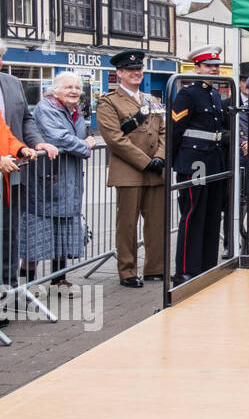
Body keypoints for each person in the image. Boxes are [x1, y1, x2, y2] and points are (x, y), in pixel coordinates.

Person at [98, 49, 167, 287]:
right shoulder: (109, 102)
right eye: (130, 70)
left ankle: (155, 268)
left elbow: (163, 132)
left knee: (157, 222)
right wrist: (146, 162)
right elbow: (115, 139)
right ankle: (127, 271)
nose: (136, 73)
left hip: (156, 171)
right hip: (130, 171)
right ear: (119, 73)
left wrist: (159, 156)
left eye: (138, 69)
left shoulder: (152, 101)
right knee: (127, 225)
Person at [20, 72, 93, 285]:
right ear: (56, 90)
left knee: (63, 234)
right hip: (46, 180)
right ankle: (27, 284)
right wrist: (85, 146)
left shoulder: (75, 111)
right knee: (35, 238)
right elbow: (59, 138)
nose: (74, 91)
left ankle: (59, 280)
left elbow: (78, 136)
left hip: (69, 180)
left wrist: (81, 142)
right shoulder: (46, 108)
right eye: (68, 87)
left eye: (77, 88)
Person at [171, 45, 231, 282]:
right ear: (196, 67)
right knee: (193, 215)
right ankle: (185, 270)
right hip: (193, 162)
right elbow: (176, 129)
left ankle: (206, 265)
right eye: (208, 66)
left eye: (216, 66)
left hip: (213, 161)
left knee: (212, 214)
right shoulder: (188, 94)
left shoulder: (215, 94)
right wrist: (174, 162)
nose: (214, 70)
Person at [0, 45, 53, 295]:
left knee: (9, 236)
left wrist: (26, 147)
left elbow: (18, 124)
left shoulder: (11, 83)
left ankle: (7, 292)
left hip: (11, 176)